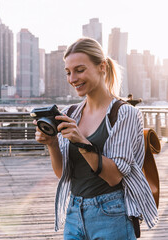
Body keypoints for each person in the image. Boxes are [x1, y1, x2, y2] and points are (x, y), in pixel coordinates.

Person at [34, 37, 158, 239]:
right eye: (68, 72)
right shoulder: (70, 113)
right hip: (74, 212)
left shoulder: (125, 113)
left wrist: (81, 142)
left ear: (101, 67)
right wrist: (52, 144)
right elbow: (63, 173)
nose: (72, 78)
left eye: (80, 70)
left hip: (113, 213)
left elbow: (114, 176)